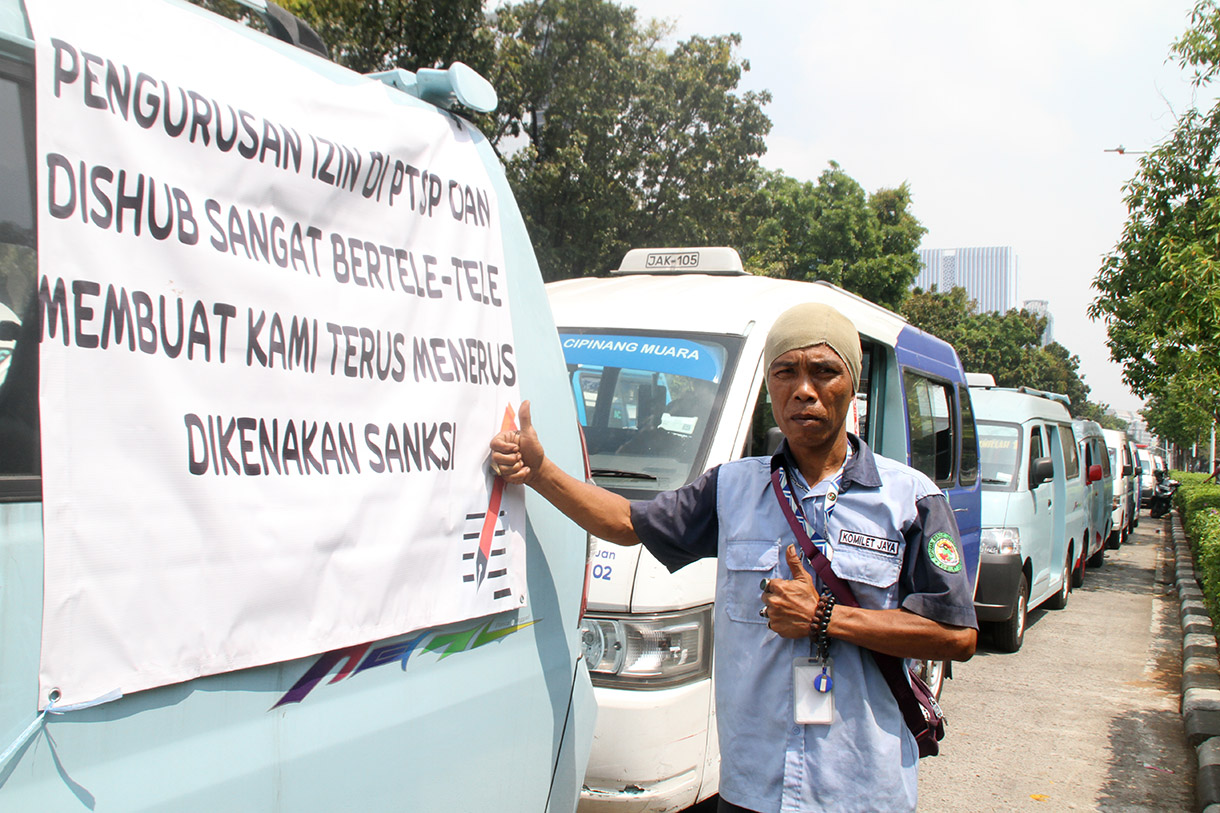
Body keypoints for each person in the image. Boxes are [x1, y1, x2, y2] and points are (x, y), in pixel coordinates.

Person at [489, 302, 977, 813]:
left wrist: (827, 617)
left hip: (862, 789)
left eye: (824, 372)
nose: (803, 390)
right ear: (770, 387)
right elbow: (628, 523)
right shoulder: (732, 488)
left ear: (851, 385)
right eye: (785, 372)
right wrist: (540, 472)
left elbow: (957, 636)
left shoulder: (911, 500)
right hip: (755, 787)